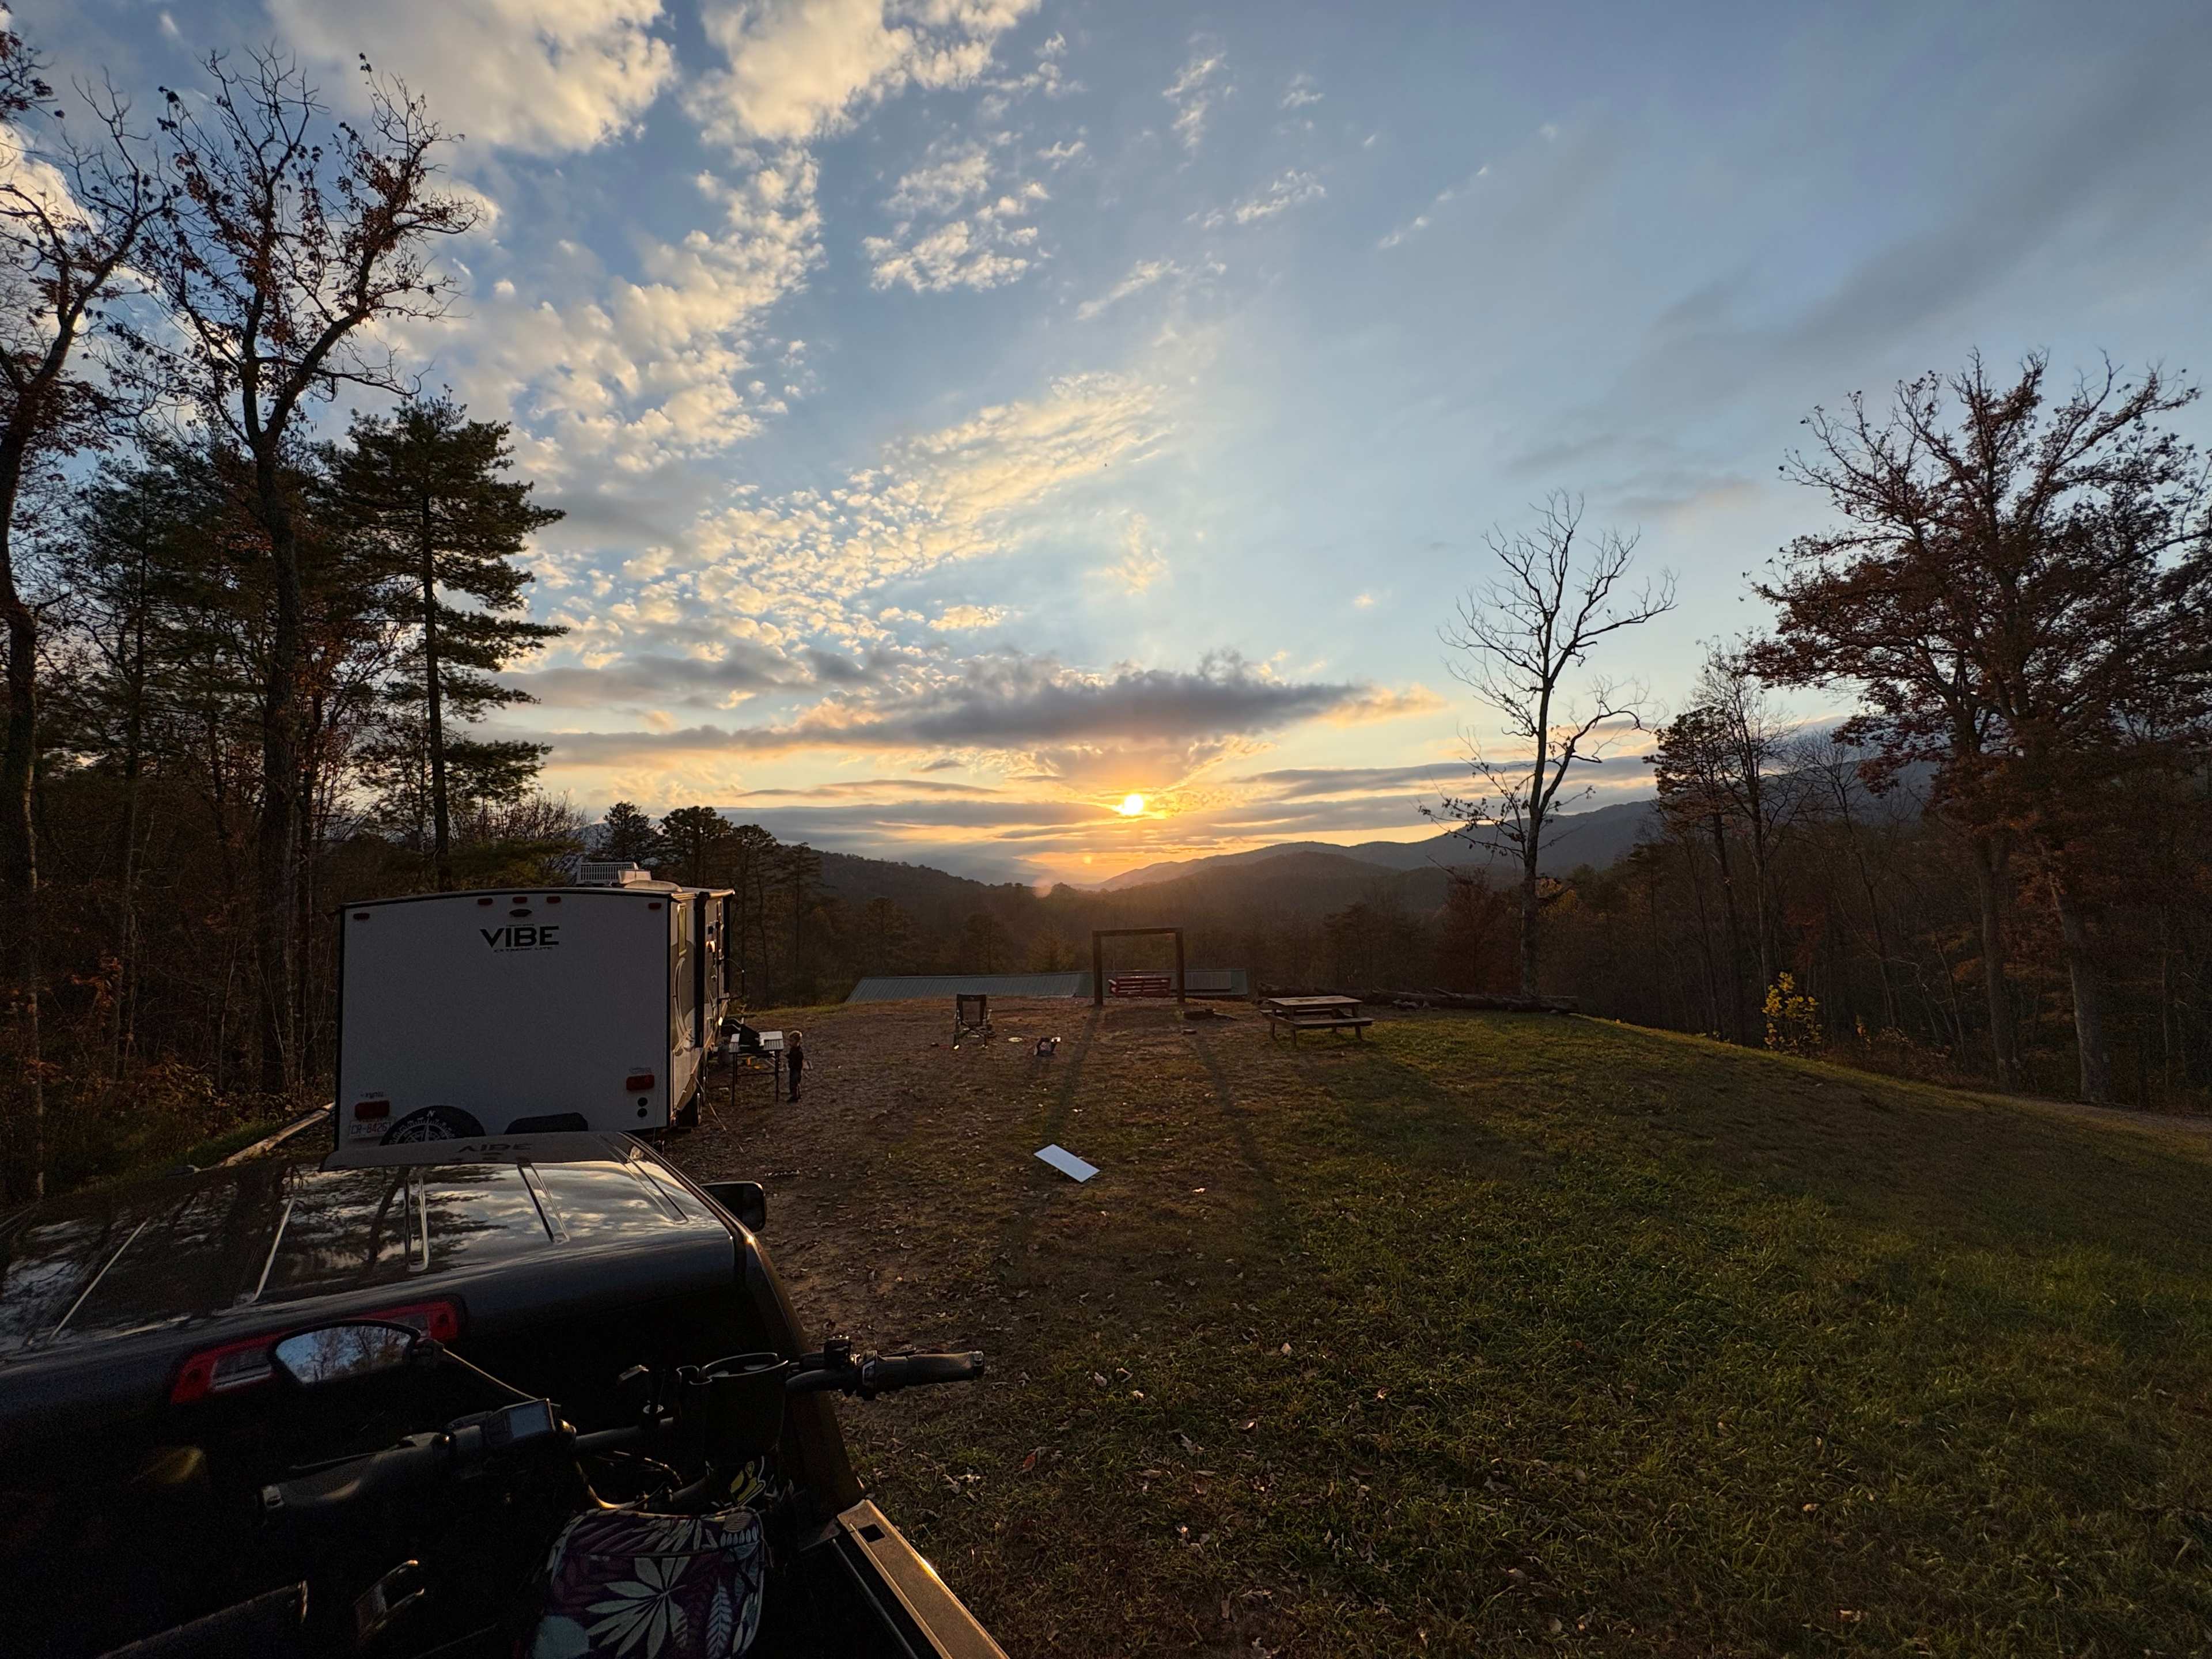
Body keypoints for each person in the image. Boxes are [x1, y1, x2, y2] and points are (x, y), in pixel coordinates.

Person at [785, 1030, 805, 1103]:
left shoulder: (799, 1052)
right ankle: (797, 1094)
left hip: (796, 1070)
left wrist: (792, 1061)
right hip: (793, 1069)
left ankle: (795, 1097)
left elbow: (798, 1061)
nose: (790, 1043)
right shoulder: (793, 1049)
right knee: (794, 1082)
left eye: (791, 1041)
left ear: (797, 1041)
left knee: (795, 1083)